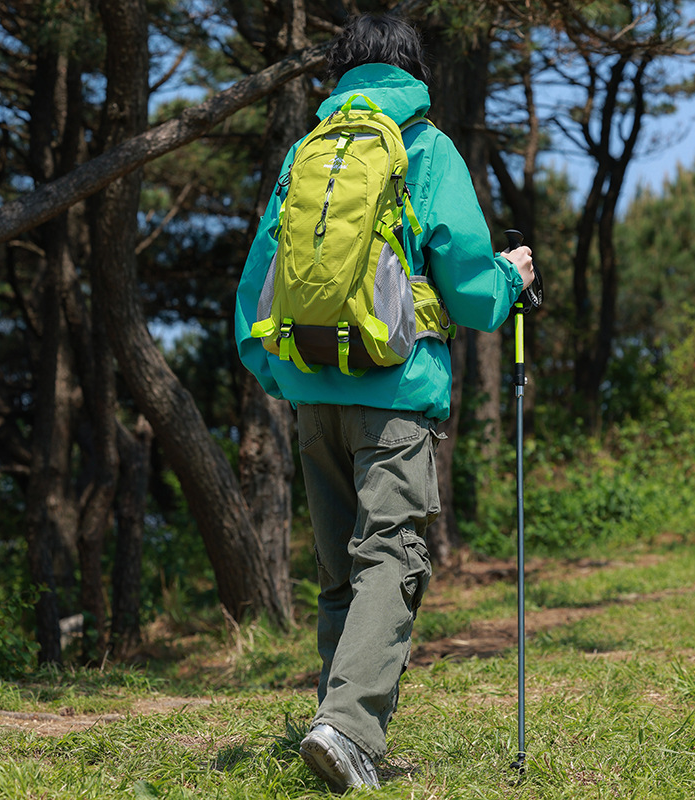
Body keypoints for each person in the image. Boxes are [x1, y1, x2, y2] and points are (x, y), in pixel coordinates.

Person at [234, 13, 534, 792]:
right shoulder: (425, 148)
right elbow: (471, 293)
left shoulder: (308, 151)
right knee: (391, 556)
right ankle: (347, 730)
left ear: (343, 71)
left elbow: (260, 273)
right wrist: (512, 276)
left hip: (310, 390)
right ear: (413, 71)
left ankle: (334, 729)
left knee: (343, 569)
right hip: (394, 391)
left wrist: (279, 377)